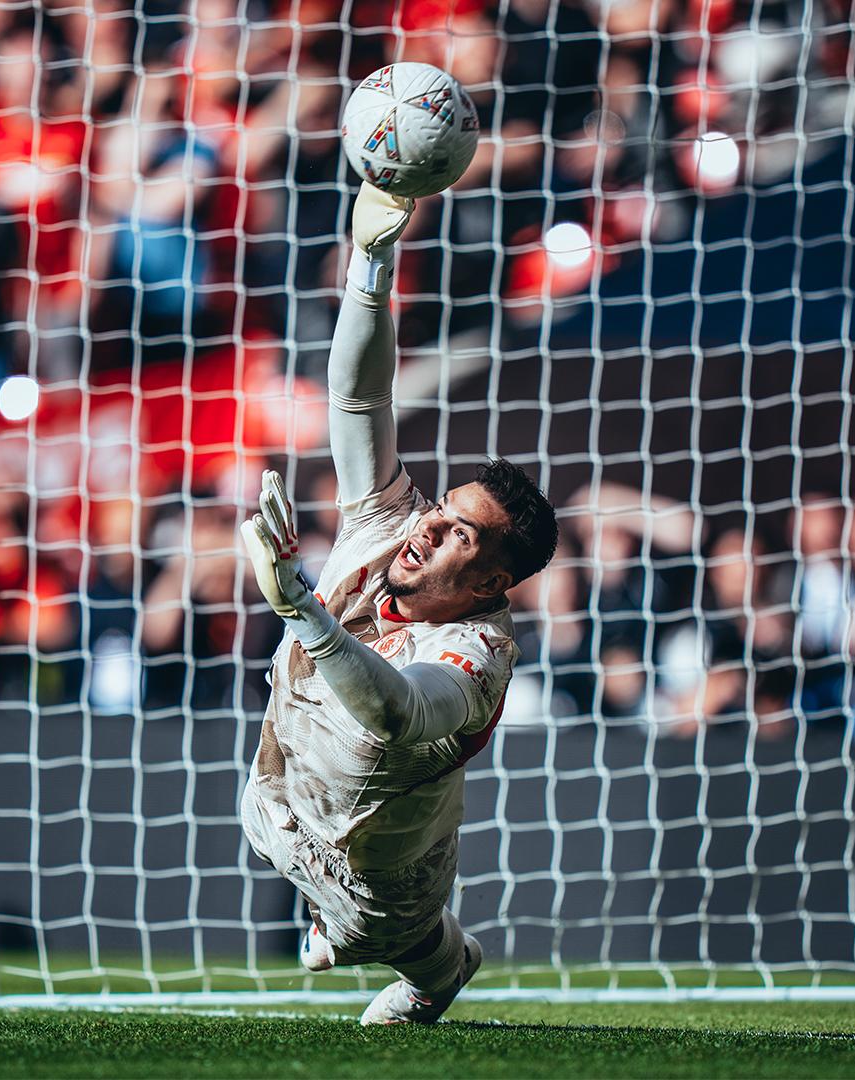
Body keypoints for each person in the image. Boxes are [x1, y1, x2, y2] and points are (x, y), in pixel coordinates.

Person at [237, 182, 558, 1025]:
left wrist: (303, 608)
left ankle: (440, 967)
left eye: (460, 536)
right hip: (277, 798)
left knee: (396, 934)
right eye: (443, 511)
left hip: (378, 864)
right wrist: (371, 268)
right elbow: (356, 400)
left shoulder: (482, 655)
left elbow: (400, 713)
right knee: (272, 838)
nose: (430, 529)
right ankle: (347, 933)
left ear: (491, 582)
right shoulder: (391, 521)